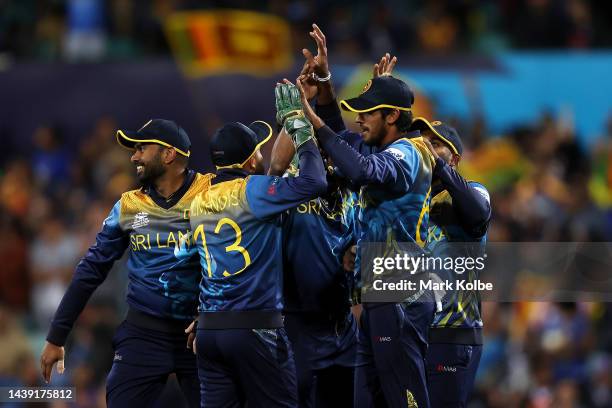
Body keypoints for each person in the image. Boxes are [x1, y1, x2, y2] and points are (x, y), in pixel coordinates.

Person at [295, 23, 436, 408]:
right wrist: (323, 84)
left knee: (406, 401)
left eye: (368, 113)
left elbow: (358, 170)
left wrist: (313, 121)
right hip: (378, 297)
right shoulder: (379, 149)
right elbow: (343, 145)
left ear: (392, 117)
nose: (359, 119)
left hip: (402, 294)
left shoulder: (411, 152)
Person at [40, 119, 208, 407]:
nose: (134, 156)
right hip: (144, 332)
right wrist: (57, 337)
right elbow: (91, 269)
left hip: (201, 333)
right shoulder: (129, 206)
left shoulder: (213, 194)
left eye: (142, 148)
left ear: (169, 155)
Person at [190, 83, 327, 407]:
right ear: (251, 160)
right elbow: (315, 181)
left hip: (210, 332)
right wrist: (299, 127)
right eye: (259, 150)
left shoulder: (198, 200)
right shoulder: (255, 192)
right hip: (255, 329)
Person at [269, 130, 358, 407]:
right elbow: (274, 169)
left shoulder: (356, 200)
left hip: (343, 327)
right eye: (323, 155)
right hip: (297, 326)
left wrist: (360, 251)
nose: (330, 162)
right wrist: (293, 118)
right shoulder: (292, 192)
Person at [410, 118, 491, 408]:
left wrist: (439, 166)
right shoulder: (410, 201)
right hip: (411, 334)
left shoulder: (473, 192)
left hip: (452, 334)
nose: (425, 147)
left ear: (454, 157)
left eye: (435, 143)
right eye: (421, 141)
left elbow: (478, 213)